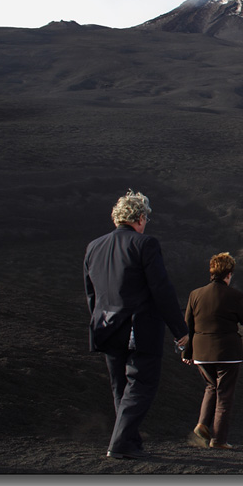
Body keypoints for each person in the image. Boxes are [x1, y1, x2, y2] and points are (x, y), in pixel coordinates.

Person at [84, 190, 189, 460]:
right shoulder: (144, 245)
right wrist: (181, 331)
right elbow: (161, 290)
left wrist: (98, 323)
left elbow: (91, 294)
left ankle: (129, 441)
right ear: (140, 218)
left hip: (106, 328)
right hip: (138, 329)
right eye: (146, 219)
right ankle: (120, 443)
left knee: (121, 387)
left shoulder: (93, 247)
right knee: (141, 384)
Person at [181, 252, 243, 450]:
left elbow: (188, 325)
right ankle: (219, 440)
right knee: (225, 395)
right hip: (227, 352)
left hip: (201, 353)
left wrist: (187, 353)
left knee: (211, 387)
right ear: (229, 274)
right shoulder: (234, 295)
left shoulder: (195, 295)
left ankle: (203, 424)